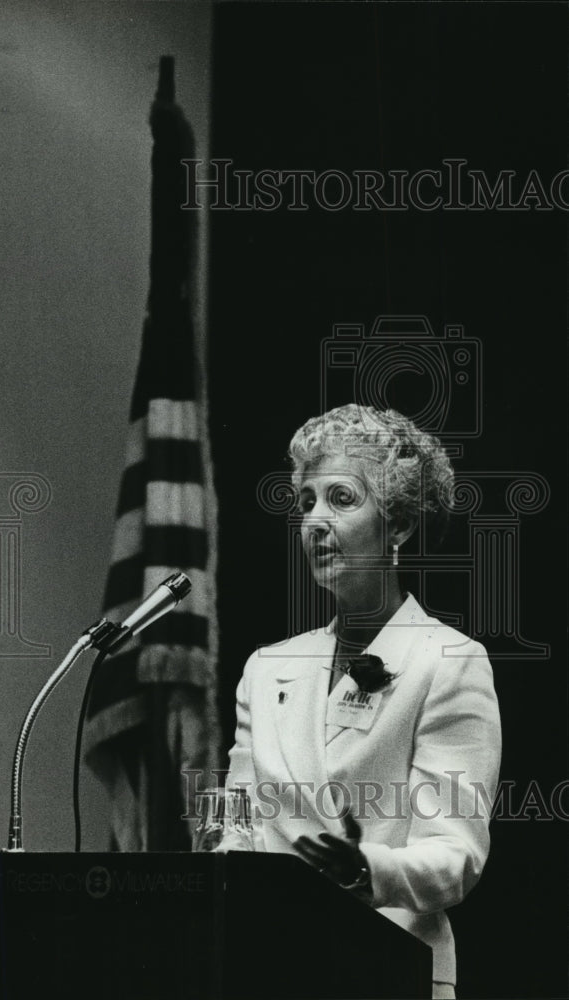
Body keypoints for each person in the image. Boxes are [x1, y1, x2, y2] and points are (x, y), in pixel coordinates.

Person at [225, 404, 501, 1000]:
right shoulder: (266, 666)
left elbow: (455, 854)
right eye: (305, 503)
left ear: (397, 525)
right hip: (268, 969)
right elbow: (238, 830)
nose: (315, 522)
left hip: (386, 969)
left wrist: (366, 868)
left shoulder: (448, 660)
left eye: (342, 500)